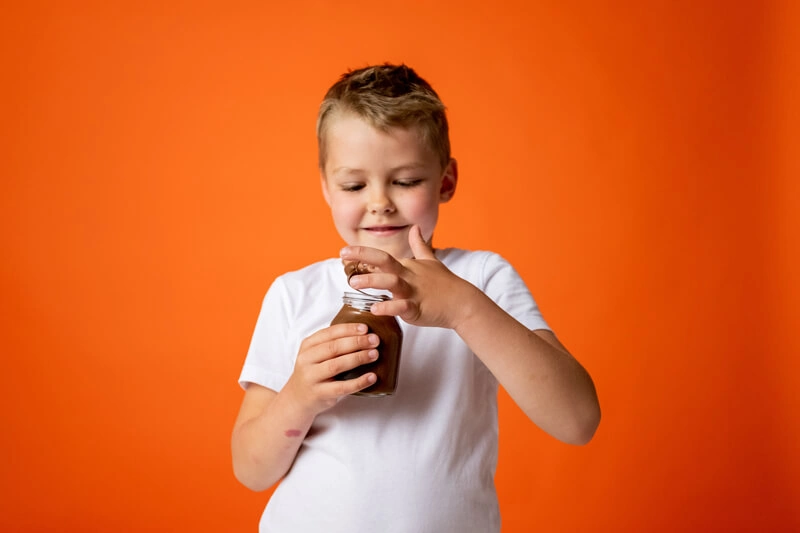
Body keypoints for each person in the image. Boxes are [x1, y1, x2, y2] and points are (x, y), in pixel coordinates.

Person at [231, 63, 600, 532]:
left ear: (446, 181)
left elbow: (577, 421)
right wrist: (298, 398)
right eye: (354, 185)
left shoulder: (479, 280)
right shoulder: (293, 294)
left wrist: (464, 309)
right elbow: (250, 470)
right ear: (325, 185)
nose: (380, 201)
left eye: (406, 181)